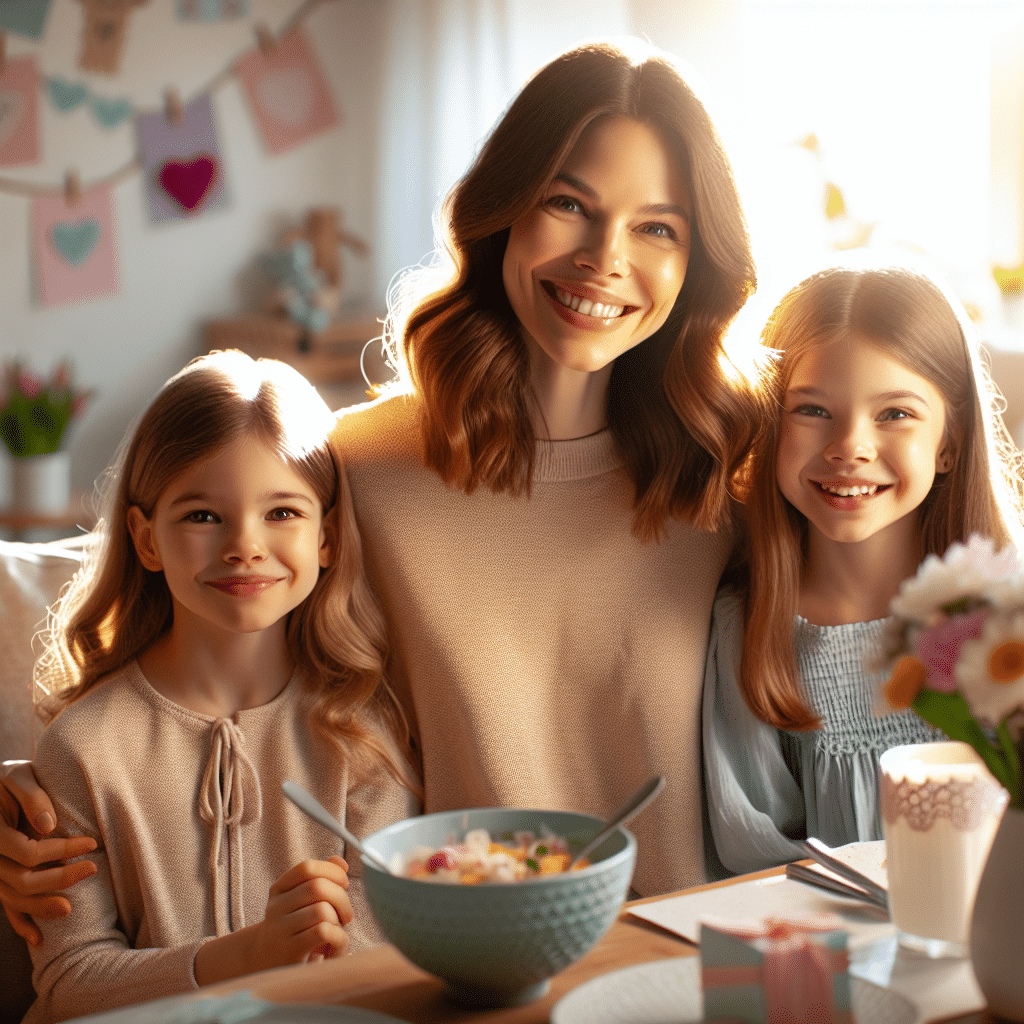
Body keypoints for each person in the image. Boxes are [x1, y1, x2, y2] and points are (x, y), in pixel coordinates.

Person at [1, 36, 761, 931]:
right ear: (503, 211)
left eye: (657, 227)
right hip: (456, 968)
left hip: (688, 960)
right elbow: (186, 613)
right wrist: (32, 784)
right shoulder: (360, 469)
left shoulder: (734, 475)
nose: (605, 256)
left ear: (697, 258)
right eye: (567, 202)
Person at [20, 351, 420, 1022]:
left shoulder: (362, 730)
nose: (244, 545)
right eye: (203, 516)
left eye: (283, 513)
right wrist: (245, 954)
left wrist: (323, 944)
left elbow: (393, 943)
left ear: (327, 537)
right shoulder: (83, 748)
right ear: (146, 540)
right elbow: (69, 982)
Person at [703, 264, 1024, 876]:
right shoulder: (749, 632)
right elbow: (754, 854)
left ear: (949, 441)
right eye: (812, 410)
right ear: (771, 426)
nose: (850, 446)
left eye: (895, 414)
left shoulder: (1010, 620)